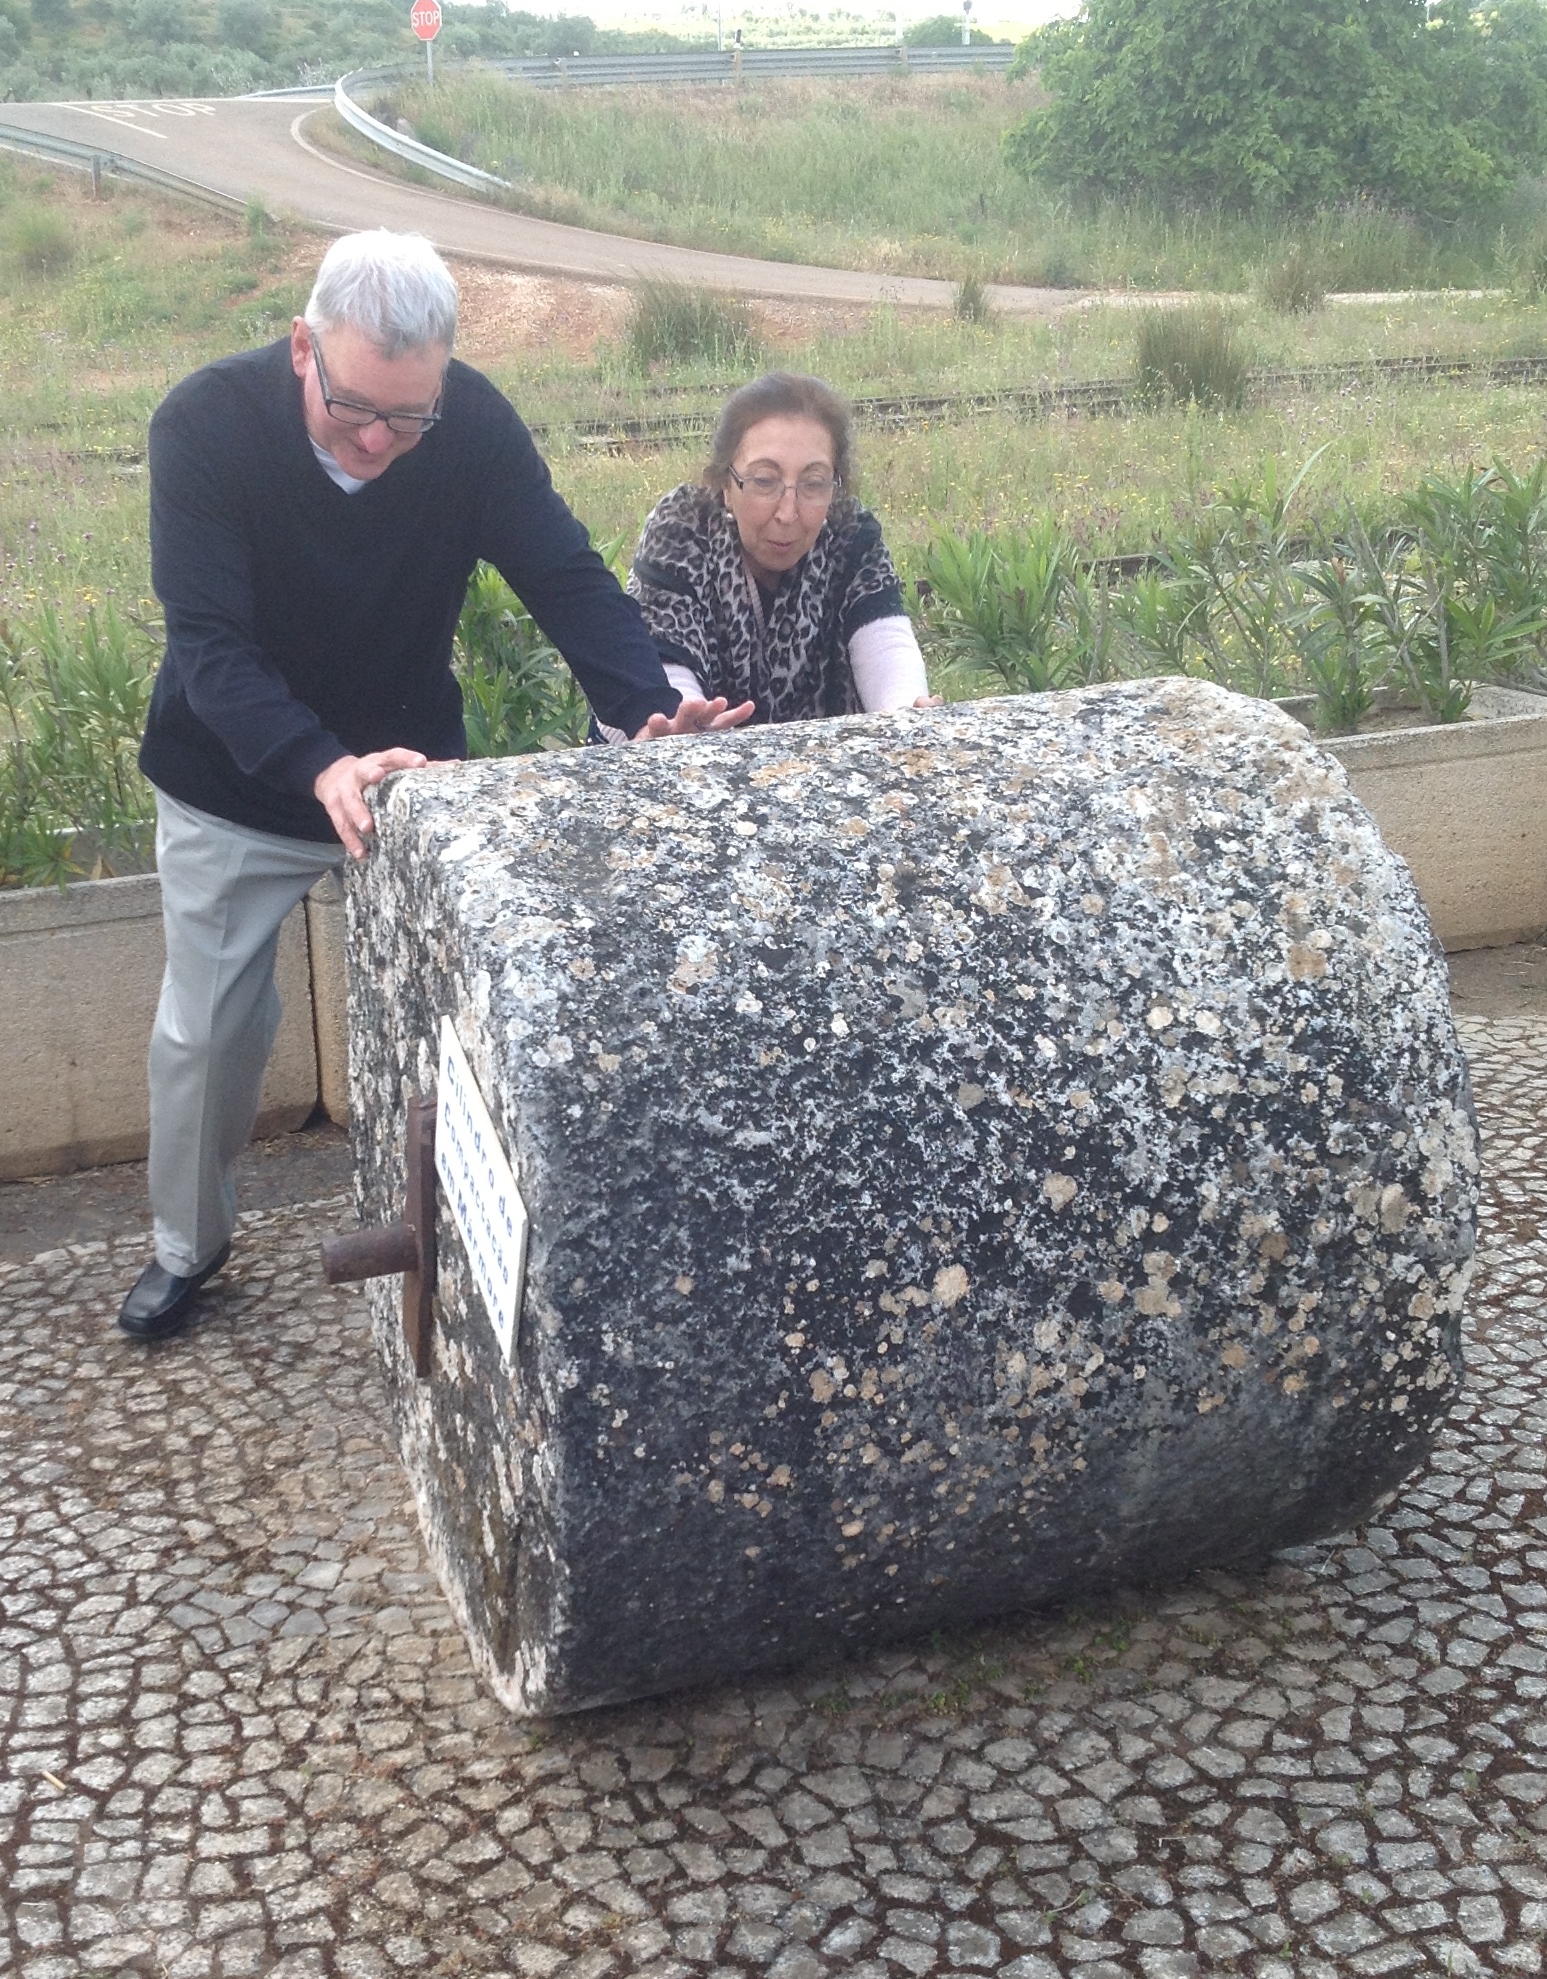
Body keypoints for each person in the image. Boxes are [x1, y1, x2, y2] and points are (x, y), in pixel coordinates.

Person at [119, 229, 749, 1344]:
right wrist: (320, 762)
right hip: (237, 773)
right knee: (209, 1034)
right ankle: (189, 1245)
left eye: (408, 417)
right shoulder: (202, 425)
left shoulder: (470, 426)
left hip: (412, 774)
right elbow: (209, 645)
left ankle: (451, 1230)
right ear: (302, 347)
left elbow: (560, 570)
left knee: (444, 1023)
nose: (377, 439)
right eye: (355, 407)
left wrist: (646, 706)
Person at [621, 371, 932, 730]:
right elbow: (663, 654)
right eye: (764, 481)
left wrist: (907, 711)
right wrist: (683, 722)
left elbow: (884, 639)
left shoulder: (851, 532)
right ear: (726, 484)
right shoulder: (681, 527)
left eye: (813, 484)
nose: (788, 513)